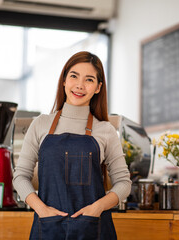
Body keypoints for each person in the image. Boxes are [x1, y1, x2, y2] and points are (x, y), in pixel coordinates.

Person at [13, 51, 132, 240]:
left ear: (98, 87)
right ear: (64, 80)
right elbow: (20, 177)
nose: (79, 85)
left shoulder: (105, 130)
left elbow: (124, 183)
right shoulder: (41, 124)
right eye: (74, 76)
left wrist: (97, 207)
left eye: (89, 80)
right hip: (48, 227)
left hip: (93, 228)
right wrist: (41, 209)